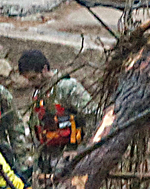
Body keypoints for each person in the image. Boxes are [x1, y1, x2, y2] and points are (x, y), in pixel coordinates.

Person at [17, 49, 99, 177]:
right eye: (28, 79)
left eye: (33, 78)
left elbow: (93, 115)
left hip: (70, 157)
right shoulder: (38, 94)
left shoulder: (67, 87)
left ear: (44, 69)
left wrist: (81, 150)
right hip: (47, 159)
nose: (31, 83)